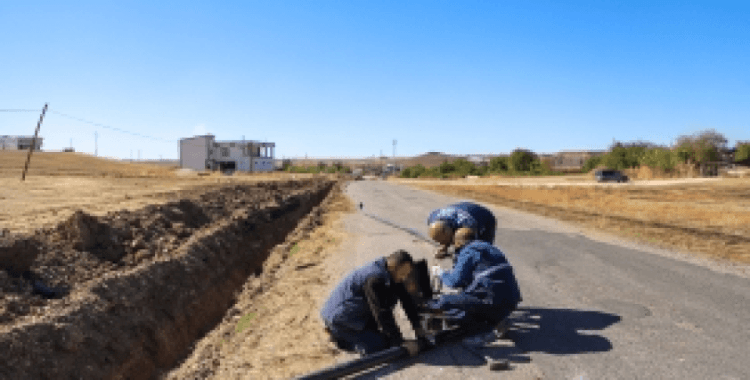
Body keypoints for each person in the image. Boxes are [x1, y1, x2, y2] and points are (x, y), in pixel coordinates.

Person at [320, 250, 430, 355]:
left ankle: (352, 335)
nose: (405, 277)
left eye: (407, 274)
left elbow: (406, 300)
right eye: (402, 274)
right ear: (393, 267)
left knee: (385, 333)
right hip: (340, 319)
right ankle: (340, 338)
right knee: (381, 346)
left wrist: (418, 327)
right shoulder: (375, 280)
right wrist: (400, 343)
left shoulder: (392, 272)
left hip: (355, 311)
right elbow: (382, 313)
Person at [427, 238, 522, 328]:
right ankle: (496, 319)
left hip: (492, 303)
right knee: (462, 302)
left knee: (445, 300)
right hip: (510, 302)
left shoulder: (468, 251)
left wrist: (441, 273)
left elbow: (454, 281)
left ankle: (494, 321)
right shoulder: (489, 248)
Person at [427, 202, 497, 258]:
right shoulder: (432, 218)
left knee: (482, 250)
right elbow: (442, 232)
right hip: (462, 209)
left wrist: (460, 255)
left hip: (486, 217)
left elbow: (468, 243)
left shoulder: (468, 224)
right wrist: (444, 247)